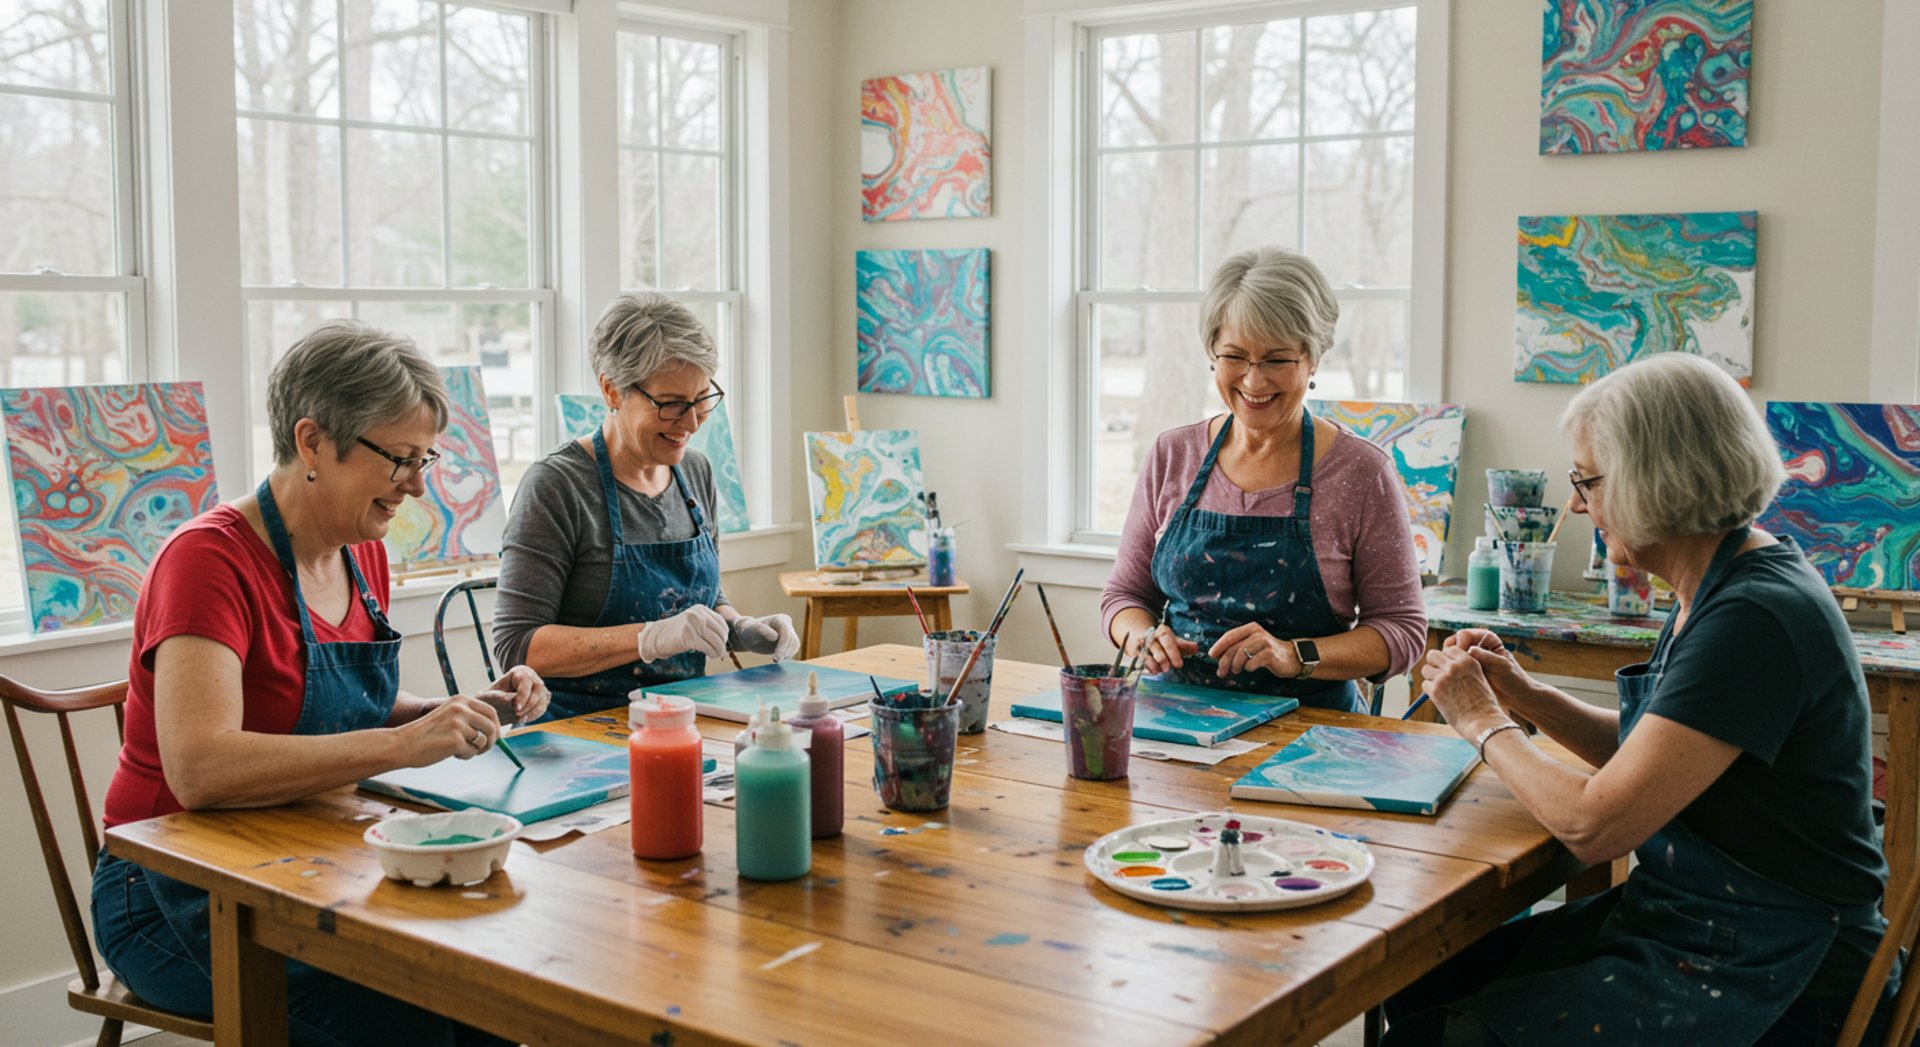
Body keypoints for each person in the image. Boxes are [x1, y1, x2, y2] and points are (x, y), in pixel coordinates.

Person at [1391, 354, 1896, 1045]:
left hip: (1780, 962)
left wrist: (1481, 719)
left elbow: (1595, 825)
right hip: (1698, 919)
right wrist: (1525, 695)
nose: (1575, 503)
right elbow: (1657, 754)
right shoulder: (1722, 576)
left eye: (1586, 481)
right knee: (1428, 973)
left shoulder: (1754, 617)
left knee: (1438, 1034)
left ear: (1657, 478)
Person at [91, 320, 549, 1045]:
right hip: (175, 887)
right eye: (400, 459)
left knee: (490, 991)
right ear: (311, 441)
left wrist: (452, 711)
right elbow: (201, 768)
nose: (419, 485)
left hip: (301, 852)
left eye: (426, 458)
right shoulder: (205, 562)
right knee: (418, 1024)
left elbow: (337, 708)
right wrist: (403, 742)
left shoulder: (360, 552)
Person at [1101, 246, 1427, 712]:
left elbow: (1402, 631)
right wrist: (1140, 636)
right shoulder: (1173, 454)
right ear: (1212, 353)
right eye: (1235, 356)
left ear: (1313, 358)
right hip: (1173, 721)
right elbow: (1125, 596)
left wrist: (1295, 656)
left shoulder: (1362, 474)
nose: (1254, 382)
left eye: (1277, 360)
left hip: (1309, 733)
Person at [494, 293, 798, 720]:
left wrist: (740, 628)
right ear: (611, 389)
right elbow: (516, 646)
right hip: (575, 731)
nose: (691, 423)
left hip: (680, 718)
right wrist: (649, 638)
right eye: (672, 404)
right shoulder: (557, 486)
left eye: (702, 399)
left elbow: (701, 600)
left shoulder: (695, 471)